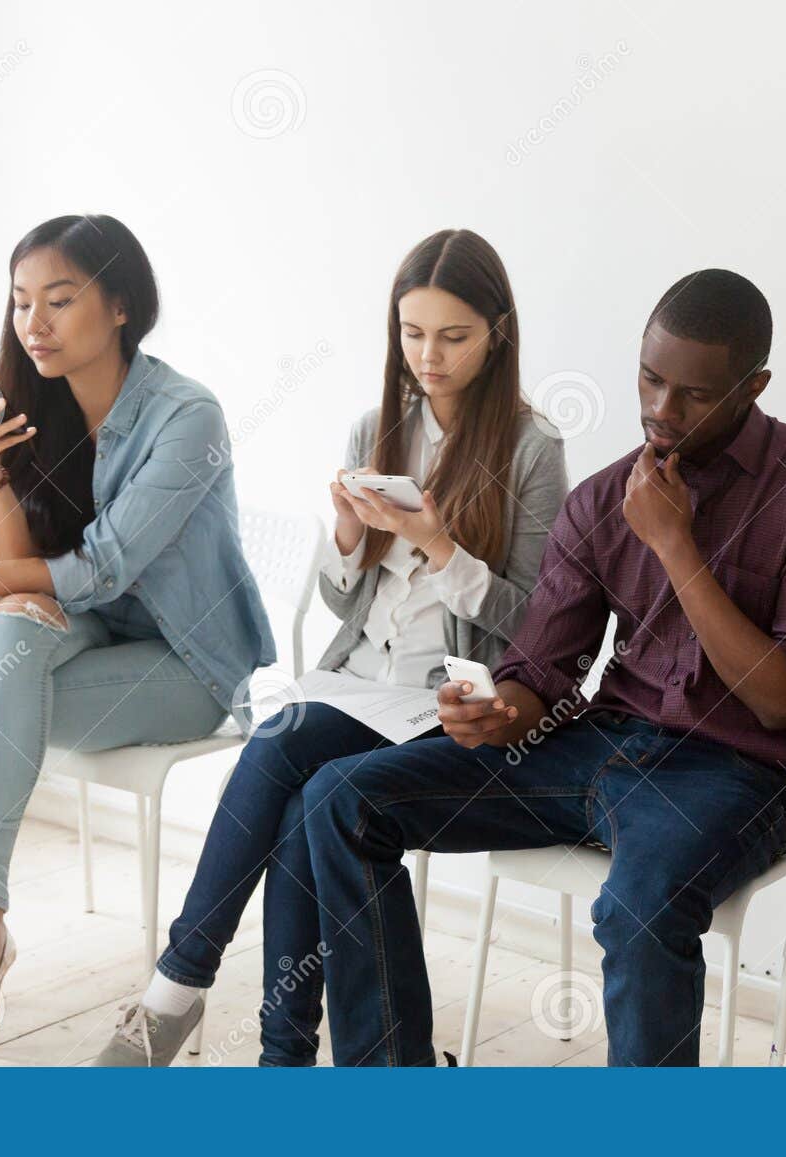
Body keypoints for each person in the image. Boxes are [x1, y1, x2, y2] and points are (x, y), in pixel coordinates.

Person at [303, 268, 786, 1065]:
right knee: (342, 796)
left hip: (740, 769)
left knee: (639, 908)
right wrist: (496, 710)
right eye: (650, 378)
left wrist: (676, 545)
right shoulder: (604, 499)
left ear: (754, 387)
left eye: (695, 394)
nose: (661, 410)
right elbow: (540, 673)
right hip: (596, 745)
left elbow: (784, 701)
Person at [93, 228, 568, 1066]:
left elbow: (533, 621)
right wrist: (349, 539)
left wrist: (438, 544)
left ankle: (192, 1001)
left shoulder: (533, 449)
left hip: (444, 700)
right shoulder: (375, 427)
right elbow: (345, 598)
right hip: (358, 679)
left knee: (300, 773)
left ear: (498, 332)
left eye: (453, 336)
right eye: (412, 333)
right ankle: (260, 1040)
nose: (429, 355)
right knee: (293, 771)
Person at [0, 214, 274, 1066]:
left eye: (60, 300)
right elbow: (27, 573)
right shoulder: (42, 407)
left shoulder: (188, 417)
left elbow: (95, 571)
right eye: (23, 301)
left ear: (122, 308)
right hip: (89, 635)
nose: (34, 322)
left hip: (189, 663)